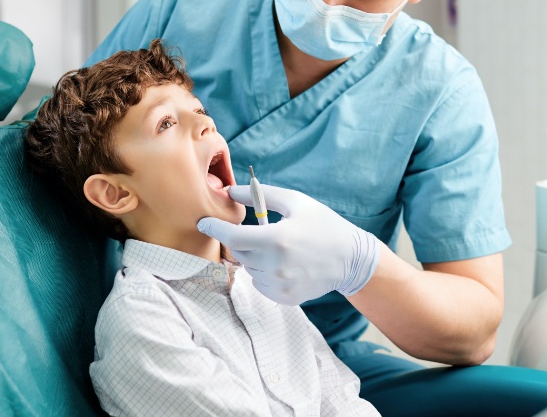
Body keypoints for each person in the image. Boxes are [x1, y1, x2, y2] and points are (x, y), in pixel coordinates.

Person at [85, 0, 547, 414]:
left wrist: (358, 265)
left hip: (317, 351)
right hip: (188, 326)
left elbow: (473, 329)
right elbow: (70, 142)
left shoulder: (440, 89)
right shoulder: (183, 7)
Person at [25, 39, 380, 416]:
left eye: (199, 110)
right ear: (114, 193)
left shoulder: (261, 285)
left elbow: (343, 400)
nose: (206, 123)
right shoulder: (143, 320)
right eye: (166, 123)